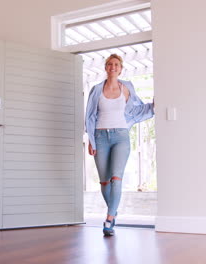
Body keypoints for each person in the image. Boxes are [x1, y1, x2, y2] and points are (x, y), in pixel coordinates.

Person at [85, 54, 155, 236]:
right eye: (109, 64)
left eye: (116, 64)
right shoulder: (96, 89)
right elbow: (90, 116)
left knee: (116, 178)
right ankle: (113, 211)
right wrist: (91, 141)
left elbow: (136, 109)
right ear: (106, 68)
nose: (113, 67)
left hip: (121, 137)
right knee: (104, 181)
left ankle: (109, 219)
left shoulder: (127, 88)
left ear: (121, 68)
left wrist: (153, 106)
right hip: (100, 137)